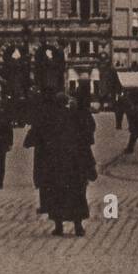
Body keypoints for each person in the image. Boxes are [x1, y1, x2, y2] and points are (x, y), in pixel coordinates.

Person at [36, 93, 93, 237]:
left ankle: (58, 226)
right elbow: (85, 140)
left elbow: (37, 139)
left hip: (54, 165)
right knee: (76, 194)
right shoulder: (75, 117)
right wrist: (88, 164)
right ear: (66, 102)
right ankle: (78, 226)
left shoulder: (48, 118)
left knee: (56, 195)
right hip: (74, 164)